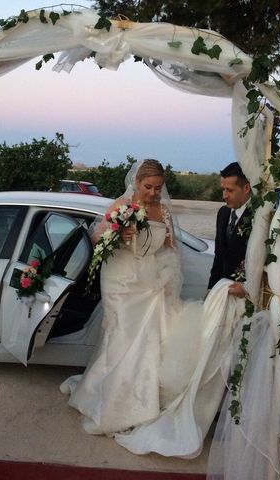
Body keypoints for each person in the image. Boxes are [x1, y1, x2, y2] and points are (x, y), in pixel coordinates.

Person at [60, 158, 188, 435]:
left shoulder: (163, 212)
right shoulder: (121, 206)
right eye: (148, 186)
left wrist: (168, 278)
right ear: (136, 182)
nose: (153, 193)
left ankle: (141, 400)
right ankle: (113, 398)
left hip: (150, 282)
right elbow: (96, 240)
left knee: (148, 341)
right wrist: (118, 233)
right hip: (120, 281)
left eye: (158, 188)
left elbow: (172, 248)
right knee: (121, 336)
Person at [208, 162, 251, 298]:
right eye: (223, 189)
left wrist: (247, 287)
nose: (224, 196)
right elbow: (219, 256)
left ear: (246, 188)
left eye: (230, 190)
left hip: (246, 298)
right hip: (222, 294)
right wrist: (211, 290)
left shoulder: (258, 217)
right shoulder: (223, 213)